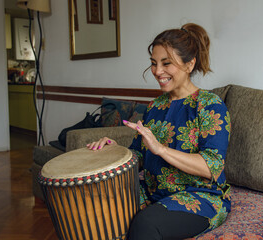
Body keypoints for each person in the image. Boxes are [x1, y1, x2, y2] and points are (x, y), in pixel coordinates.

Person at [87, 23, 231, 239]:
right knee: (96, 202)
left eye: (166, 63)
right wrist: (115, 151)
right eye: (154, 64)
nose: (157, 71)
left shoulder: (210, 105)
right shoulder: (155, 106)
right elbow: (138, 156)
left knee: (146, 224)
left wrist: (161, 149)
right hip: (155, 192)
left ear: (189, 64)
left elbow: (211, 167)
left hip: (200, 196)